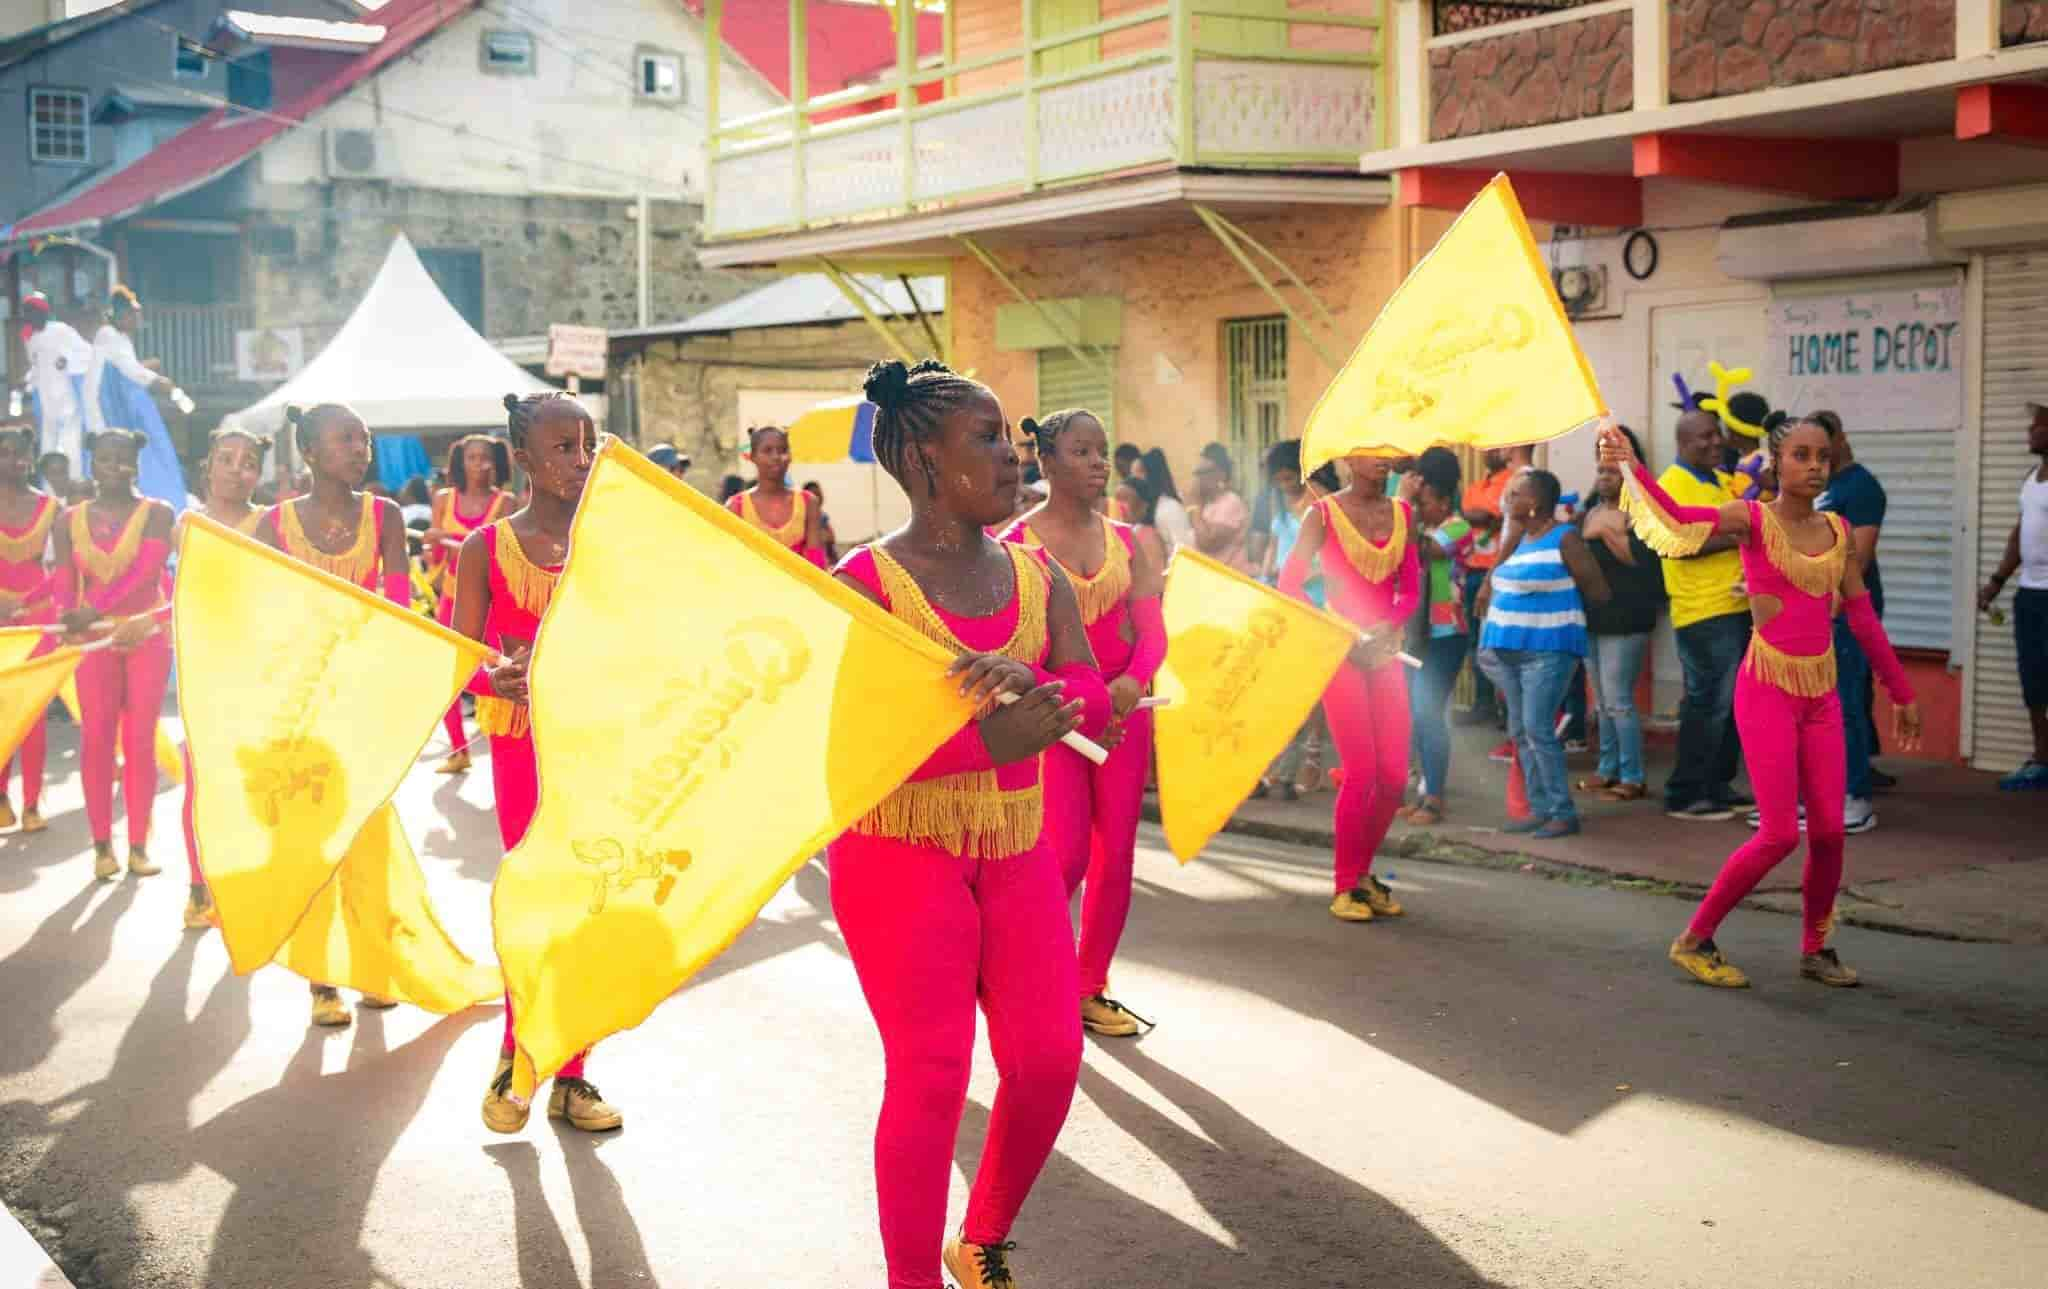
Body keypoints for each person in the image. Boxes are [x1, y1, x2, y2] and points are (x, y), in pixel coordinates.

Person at [829, 358, 1107, 1289]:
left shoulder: (1039, 577)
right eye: (985, 437)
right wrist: (985, 742)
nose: (1009, 452)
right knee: (934, 1071)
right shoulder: (864, 583)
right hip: (896, 848)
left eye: (1008, 435)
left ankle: (980, 1233)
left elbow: (1091, 693)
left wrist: (1044, 689)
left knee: (1048, 1059)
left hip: (1014, 842)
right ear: (919, 459)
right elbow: (841, 748)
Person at [1604, 418, 1920, 989]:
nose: (1815, 465)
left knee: (1828, 833)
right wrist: (1629, 461)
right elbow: (1677, 518)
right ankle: (1695, 938)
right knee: (1778, 833)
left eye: (1823, 455)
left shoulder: (1839, 530)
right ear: (1775, 463)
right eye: (1801, 454)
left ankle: (1815, 948)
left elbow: (1862, 615)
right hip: (1767, 689)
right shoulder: (1751, 519)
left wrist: (1901, 691)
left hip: (1820, 695)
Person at [456, 393, 623, 1136]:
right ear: (521, 457)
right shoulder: (484, 548)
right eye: (562, 448)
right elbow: (459, 656)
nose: (580, 461)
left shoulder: (608, 540)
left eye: (586, 445)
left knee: (588, 906)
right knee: (535, 899)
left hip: (597, 743)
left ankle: (575, 1077)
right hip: (523, 743)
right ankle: (517, 1055)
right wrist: (492, 676)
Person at [1003, 408, 1167, 1039]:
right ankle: (1033, 981)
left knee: (1116, 854)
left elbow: (1152, 634)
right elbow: (1017, 651)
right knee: (1063, 857)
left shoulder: (1134, 541)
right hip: (1059, 722)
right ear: (1045, 461)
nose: (1100, 462)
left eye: (1102, 451)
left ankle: (1089, 986)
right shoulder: (1014, 547)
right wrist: (1086, 703)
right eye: (1082, 451)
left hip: (1126, 718)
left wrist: (1130, 685)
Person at [258, 403, 411, 1029]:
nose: (360, 448)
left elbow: (399, 605)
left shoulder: (389, 515)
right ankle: (322, 982)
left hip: (365, 699)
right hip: (301, 704)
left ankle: (373, 964)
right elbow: (265, 615)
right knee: (312, 839)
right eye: (346, 439)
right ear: (312, 454)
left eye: (364, 439)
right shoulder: (274, 524)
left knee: (368, 837)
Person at [1279, 452, 1421, 922]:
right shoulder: (1322, 514)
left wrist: (1390, 625)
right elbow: (1290, 583)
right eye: (1370, 451)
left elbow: (1412, 589)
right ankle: (1345, 886)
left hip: (1383, 651)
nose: (1382, 460)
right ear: (1348, 458)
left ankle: (1362, 875)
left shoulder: (1403, 512)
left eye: (1387, 453)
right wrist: (1335, 631)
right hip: (1341, 653)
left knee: (1395, 776)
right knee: (1362, 772)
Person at [51, 430, 175, 880]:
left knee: (140, 740)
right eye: (105, 458)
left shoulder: (158, 514)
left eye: (123, 458)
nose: (115, 466)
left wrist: (91, 609)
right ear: (93, 463)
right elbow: (66, 576)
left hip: (144, 635)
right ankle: (102, 845)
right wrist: (68, 615)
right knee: (97, 738)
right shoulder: (69, 518)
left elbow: (146, 574)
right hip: (95, 642)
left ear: (136, 463)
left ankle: (139, 845)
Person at [1476, 469, 1609, 838]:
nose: (1508, 500)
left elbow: (1597, 590)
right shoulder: (1519, 538)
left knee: (1537, 730)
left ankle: (1562, 812)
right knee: (1520, 732)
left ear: (1533, 502)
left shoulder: (1564, 538)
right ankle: (1539, 808)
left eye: (1515, 494)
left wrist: (1557, 612)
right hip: (1511, 653)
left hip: (1548, 650)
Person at [175, 427, 270, 931]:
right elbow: (183, 598)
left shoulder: (271, 525)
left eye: (249, 461)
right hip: (203, 667)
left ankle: (244, 884)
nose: (238, 469)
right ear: (208, 465)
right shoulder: (186, 525)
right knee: (200, 781)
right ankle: (197, 886)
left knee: (250, 783)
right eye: (228, 459)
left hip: (257, 671)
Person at [1659, 409, 1754, 821]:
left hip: (1736, 605)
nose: (1716, 442)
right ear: (1682, 443)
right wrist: (1738, 536)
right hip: (1702, 611)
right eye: (1705, 437)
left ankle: (1717, 784)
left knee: (1733, 704)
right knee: (1707, 704)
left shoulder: (1717, 481)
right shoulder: (1669, 486)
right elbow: (1675, 544)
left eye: (1718, 435)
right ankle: (1686, 792)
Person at [1578, 426, 1664, 802]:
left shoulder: (1644, 513)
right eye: (1600, 470)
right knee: (1601, 701)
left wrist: (1608, 533)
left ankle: (1633, 775)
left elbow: (1640, 563)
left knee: (1619, 701)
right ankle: (1606, 769)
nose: (1603, 478)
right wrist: (1599, 526)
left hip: (1627, 620)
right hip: (1593, 619)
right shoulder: (1590, 512)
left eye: (1611, 471)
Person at [423, 435, 513, 775]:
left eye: (485, 458)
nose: (479, 465)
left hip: (490, 602)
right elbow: (434, 557)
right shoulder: (444, 499)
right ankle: (458, 748)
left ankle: (506, 744)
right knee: (449, 673)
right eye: (471, 458)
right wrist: (435, 541)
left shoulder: (506, 501)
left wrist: (449, 539)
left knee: (498, 671)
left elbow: (502, 553)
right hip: (451, 597)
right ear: (460, 462)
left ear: (496, 463)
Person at [1814, 412, 1886, 831]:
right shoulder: (1825, 486)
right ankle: (1819, 795)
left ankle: (1855, 797)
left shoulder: (1861, 487)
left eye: (1823, 446)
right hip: (1815, 614)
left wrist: (1833, 601)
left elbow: (1858, 556)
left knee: (1847, 705)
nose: (1815, 457)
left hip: (1848, 612)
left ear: (1841, 438)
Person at [1978, 398, 2048, 791]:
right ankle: (2042, 760)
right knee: (2034, 681)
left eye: (2039, 426)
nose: (2030, 432)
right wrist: (1996, 582)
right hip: (2031, 596)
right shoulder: (2032, 477)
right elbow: (2021, 534)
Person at [1401, 447, 1471, 826]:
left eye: (1424, 503)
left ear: (1444, 501)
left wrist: (1405, 503)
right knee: (1417, 714)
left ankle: (1435, 798)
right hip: (1419, 635)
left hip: (1447, 634)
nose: (1420, 508)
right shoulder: (1427, 525)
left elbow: (1421, 549)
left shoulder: (1457, 528)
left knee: (1429, 713)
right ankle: (1424, 792)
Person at [1256, 443, 1329, 799]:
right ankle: (1280, 764)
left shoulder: (1320, 500)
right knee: (1283, 687)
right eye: (1276, 477)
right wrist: (1270, 571)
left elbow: (1331, 556)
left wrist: (1298, 576)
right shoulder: (1279, 501)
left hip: (1314, 602)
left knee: (1310, 688)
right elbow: (1274, 543)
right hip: (1282, 601)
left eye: (1286, 475)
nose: (1281, 482)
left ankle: (1311, 759)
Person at [0, 422, 59, 833]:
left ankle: (33, 801)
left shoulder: (52, 508)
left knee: (33, 712)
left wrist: (27, 602)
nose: (14, 460)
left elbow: (64, 568)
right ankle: (1, 796)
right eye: (4, 452)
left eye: (21, 453)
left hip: (38, 618)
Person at [83, 287, 186, 513]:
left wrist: (147, 368)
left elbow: (128, 366)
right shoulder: (108, 334)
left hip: (120, 407)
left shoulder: (120, 337)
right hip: (105, 409)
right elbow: (130, 371)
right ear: (121, 316)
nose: (137, 319)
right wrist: (160, 382)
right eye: (133, 314)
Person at [1458, 447, 1521, 732]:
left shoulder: (1514, 481)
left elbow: (1496, 517)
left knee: (1500, 643)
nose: (1489, 452)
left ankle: (1507, 708)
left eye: (1497, 446)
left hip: (1498, 572)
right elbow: (1469, 515)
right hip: (1472, 570)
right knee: (1475, 642)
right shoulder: (1475, 487)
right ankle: (1483, 704)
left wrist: (1483, 516)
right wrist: (1480, 516)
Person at [728, 426, 828, 566]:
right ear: (752, 457)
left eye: (783, 450)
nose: (776, 457)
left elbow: (816, 563)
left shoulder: (808, 502)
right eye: (767, 451)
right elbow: (732, 561)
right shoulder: (736, 506)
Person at [21, 292, 91, 469]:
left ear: (43, 312)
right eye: (26, 312)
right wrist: (28, 383)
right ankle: (49, 487)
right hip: (45, 394)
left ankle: (74, 478)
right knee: (48, 438)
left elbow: (86, 351)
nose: (29, 316)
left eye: (32, 311)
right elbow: (35, 365)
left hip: (65, 391)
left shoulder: (61, 329)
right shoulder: (30, 338)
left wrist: (66, 359)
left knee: (70, 437)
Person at [1188, 442, 1253, 574]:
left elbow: (1208, 542)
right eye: (1197, 473)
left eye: (1204, 472)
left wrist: (1194, 508)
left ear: (1221, 475)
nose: (1199, 478)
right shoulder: (1206, 504)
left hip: (1229, 580)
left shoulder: (1231, 502)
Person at [1136, 448, 1194, 556]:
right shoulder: (1145, 509)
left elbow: (1184, 549)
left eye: (1139, 474)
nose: (1134, 480)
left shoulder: (1170, 508)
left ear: (1151, 475)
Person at [802, 480, 840, 564]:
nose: (818, 497)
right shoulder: (804, 517)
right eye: (815, 494)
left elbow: (831, 537)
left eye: (819, 494)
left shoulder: (822, 515)